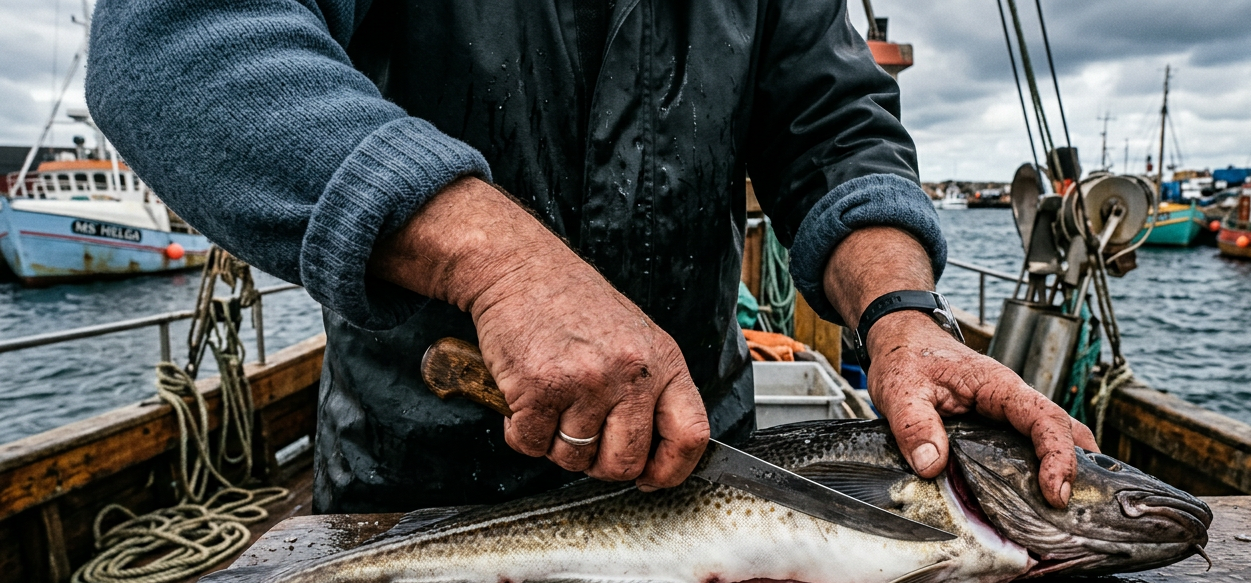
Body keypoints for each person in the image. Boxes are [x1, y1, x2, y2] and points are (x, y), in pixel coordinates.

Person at [87, 0, 1096, 516]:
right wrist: (498, 263)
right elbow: (176, 42)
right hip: (412, 491)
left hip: (703, 478)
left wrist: (899, 316)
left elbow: (831, 126)